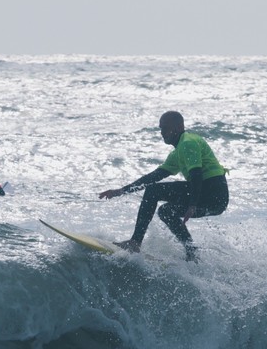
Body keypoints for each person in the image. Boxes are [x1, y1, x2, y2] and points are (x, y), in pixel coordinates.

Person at [98, 111, 229, 262]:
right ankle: (192, 253)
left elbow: (196, 175)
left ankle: (135, 242)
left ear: (179, 127)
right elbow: (153, 177)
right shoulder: (177, 152)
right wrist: (121, 191)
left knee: (154, 191)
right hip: (213, 198)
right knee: (166, 211)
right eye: (161, 128)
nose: (162, 132)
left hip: (213, 192)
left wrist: (192, 204)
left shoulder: (188, 143)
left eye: (166, 128)